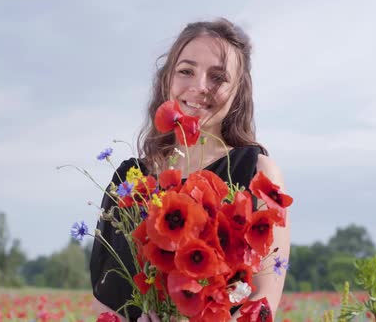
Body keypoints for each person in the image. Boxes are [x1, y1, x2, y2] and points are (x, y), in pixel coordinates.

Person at [90, 18, 290, 321]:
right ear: (167, 79)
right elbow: (105, 299)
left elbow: (263, 301)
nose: (199, 87)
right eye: (186, 71)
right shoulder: (128, 180)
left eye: (218, 77)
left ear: (238, 91)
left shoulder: (257, 173)